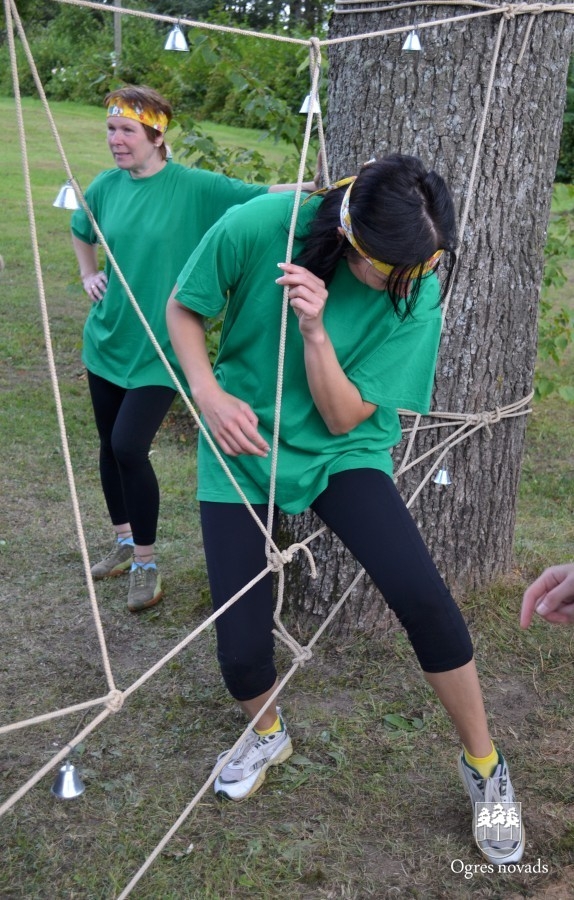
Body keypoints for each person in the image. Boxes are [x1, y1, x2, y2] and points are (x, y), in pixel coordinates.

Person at [166, 154, 525, 864]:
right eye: (393, 270)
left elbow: (340, 418)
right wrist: (205, 391)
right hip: (242, 440)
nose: (410, 284)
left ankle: (485, 766)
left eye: (420, 269)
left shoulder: (416, 283)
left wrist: (317, 332)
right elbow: (184, 307)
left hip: (341, 452)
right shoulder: (263, 224)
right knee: (240, 654)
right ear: (352, 238)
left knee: (423, 598)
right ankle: (267, 733)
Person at [71, 84, 318, 612]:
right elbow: (80, 228)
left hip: (161, 351)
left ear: (157, 137)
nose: (115, 140)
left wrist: (323, 187)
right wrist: (89, 272)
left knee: (130, 447)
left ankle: (145, 561)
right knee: (108, 447)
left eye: (127, 131)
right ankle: (120, 540)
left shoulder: (194, 187)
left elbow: (263, 193)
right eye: (111, 130)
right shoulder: (105, 187)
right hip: (106, 341)